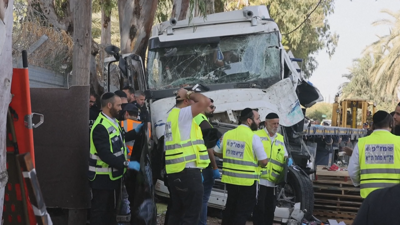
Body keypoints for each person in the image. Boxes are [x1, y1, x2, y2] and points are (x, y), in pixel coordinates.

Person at [88, 92, 143, 225]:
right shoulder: (100, 126)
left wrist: (135, 132)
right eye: (118, 105)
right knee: (100, 212)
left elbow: (121, 138)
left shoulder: (113, 122)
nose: (120, 108)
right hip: (101, 178)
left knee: (110, 211)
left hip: (112, 176)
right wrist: (126, 164)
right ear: (109, 105)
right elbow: (105, 154)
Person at [164, 88, 211, 225]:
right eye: (192, 101)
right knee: (191, 216)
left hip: (176, 171)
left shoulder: (172, 115)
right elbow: (205, 101)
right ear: (186, 101)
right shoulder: (183, 114)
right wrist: (189, 93)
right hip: (188, 171)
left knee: (177, 213)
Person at [215, 108, 268, 225]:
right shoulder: (254, 137)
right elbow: (264, 161)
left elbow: (217, 151)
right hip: (247, 183)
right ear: (249, 121)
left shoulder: (227, 134)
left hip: (230, 180)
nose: (259, 122)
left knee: (230, 210)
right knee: (242, 213)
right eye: (258, 118)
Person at [348, 110, 400, 198]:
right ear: (391, 124)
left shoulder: (362, 143)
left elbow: (352, 171)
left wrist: (358, 183)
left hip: (369, 197)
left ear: (373, 125)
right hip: (395, 197)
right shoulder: (398, 142)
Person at [253, 113, 292, 225]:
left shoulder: (280, 138)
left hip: (273, 181)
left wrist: (287, 160)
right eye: (274, 123)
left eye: (277, 123)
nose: (276, 126)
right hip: (259, 179)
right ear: (266, 123)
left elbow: (284, 155)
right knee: (259, 209)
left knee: (270, 210)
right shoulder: (257, 135)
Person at [194, 98, 221, 225]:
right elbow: (209, 147)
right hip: (205, 165)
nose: (213, 109)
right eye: (211, 107)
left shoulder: (194, 118)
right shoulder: (202, 122)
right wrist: (215, 167)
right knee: (203, 199)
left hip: (196, 164)